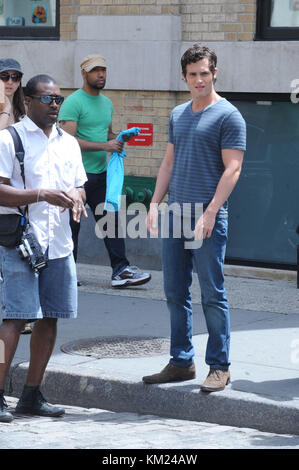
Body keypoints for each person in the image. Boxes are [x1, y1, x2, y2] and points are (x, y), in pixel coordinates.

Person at [143, 44, 246, 392]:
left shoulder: (229, 115)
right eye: (192, 74)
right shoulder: (178, 114)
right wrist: (155, 204)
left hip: (206, 216)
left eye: (205, 73)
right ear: (184, 77)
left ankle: (220, 366)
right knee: (174, 292)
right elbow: (169, 163)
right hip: (175, 214)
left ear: (215, 73)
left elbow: (233, 168)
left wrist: (211, 212)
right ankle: (181, 361)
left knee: (212, 294)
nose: (199, 79)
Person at [0, 74, 87, 423]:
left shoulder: (69, 143)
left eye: (59, 100)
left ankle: (31, 395)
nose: (55, 106)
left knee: (50, 317)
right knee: (14, 317)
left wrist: (77, 199)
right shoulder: (10, 139)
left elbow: (79, 186)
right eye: (48, 100)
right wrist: (42, 194)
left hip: (59, 244)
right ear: (28, 100)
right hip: (20, 242)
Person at [58, 54, 151, 288]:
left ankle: (121, 271)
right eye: (95, 70)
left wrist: (120, 137)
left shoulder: (107, 103)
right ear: (84, 74)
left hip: (100, 175)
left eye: (103, 70)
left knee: (111, 222)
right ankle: (67, 275)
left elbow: (105, 135)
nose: (100, 74)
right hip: (75, 177)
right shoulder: (73, 102)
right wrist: (105, 146)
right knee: (72, 227)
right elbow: (67, 141)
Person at [0, 58, 32, 335]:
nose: (10, 82)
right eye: (4, 76)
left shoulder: (21, 109)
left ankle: (16, 311)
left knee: (11, 249)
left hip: (12, 191)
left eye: (15, 77)